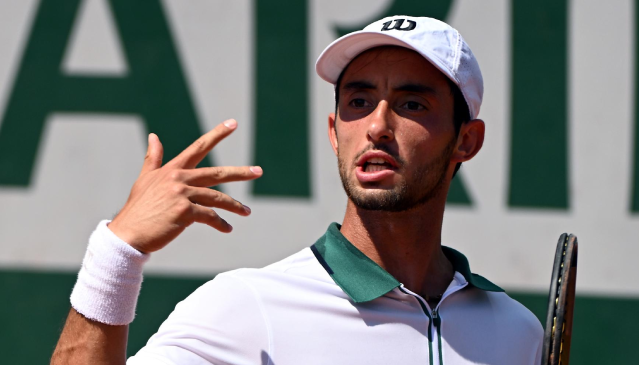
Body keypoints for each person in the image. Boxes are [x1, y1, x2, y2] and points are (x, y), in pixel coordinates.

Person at [51, 16, 543, 365]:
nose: (377, 126)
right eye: (358, 100)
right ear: (334, 131)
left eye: (412, 103)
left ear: (466, 141)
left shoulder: (518, 333)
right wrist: (116, 254)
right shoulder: (246, 308)